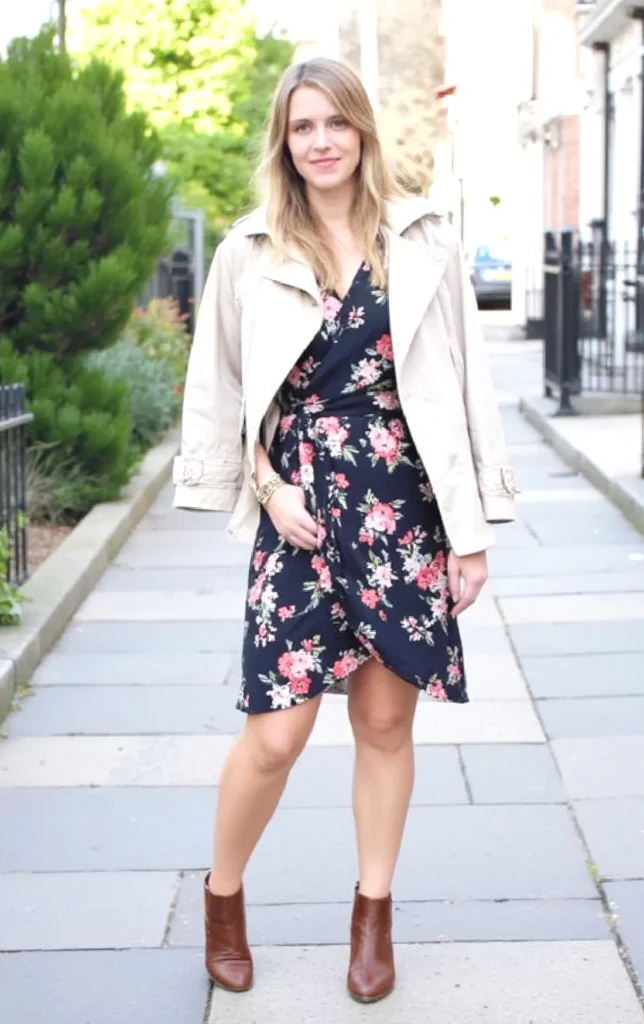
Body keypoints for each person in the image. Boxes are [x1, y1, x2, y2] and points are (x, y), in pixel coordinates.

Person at [173, 56, 518, 1004]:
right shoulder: (249, 250)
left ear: (362, 130)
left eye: (336, 123)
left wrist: (474, 532)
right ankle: (222, 899)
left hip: (403, 510)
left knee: (384, 722)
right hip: (300, 516)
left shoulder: (423, 238)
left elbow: (467, 384)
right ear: (283, 142)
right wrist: (265, 487)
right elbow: (222, 391)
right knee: (275, 736)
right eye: (302, 127)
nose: (320, 141)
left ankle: (372, 917)